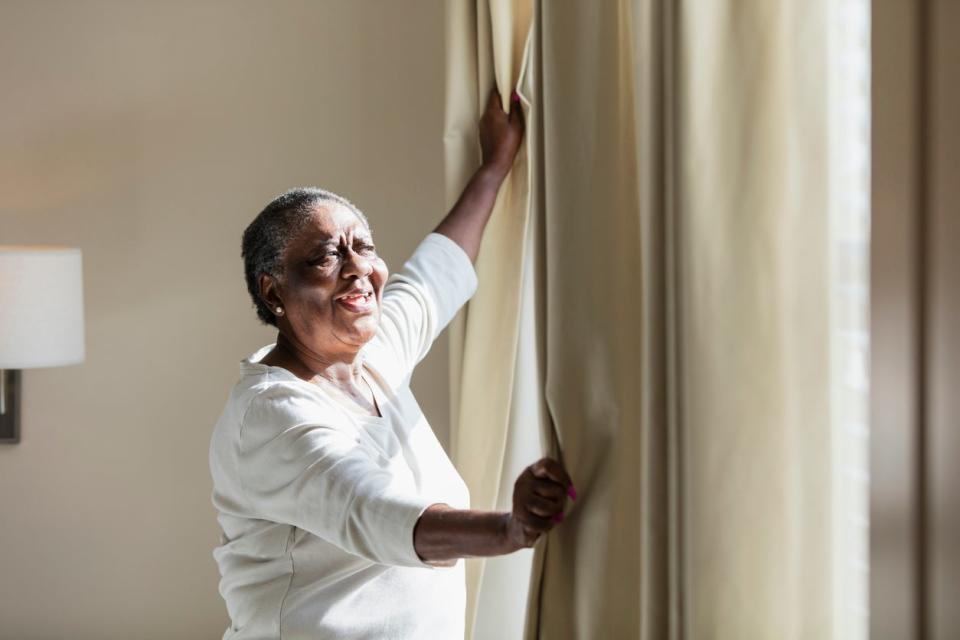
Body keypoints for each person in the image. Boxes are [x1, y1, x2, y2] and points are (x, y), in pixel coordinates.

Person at [209, 88, 575, 640]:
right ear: (273, 290)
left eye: (365, 247)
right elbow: (371, 510)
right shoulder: (271, 417)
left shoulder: (368, 359)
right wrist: (510, 529)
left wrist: (496, 165)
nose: (359, 269)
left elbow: (434, 275)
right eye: (327, 256)